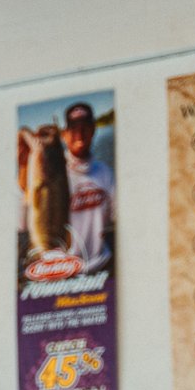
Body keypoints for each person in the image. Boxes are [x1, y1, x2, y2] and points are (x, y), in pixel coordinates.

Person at [58, 101, 117, 268]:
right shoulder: (55, 175)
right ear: (65, 134)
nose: (80, 133)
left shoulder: (105, 172)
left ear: (93, 130)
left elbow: (118, 216)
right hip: (64, 272)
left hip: (102, 265)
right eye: (74, 128)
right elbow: (23, 224)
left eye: (85, 127)